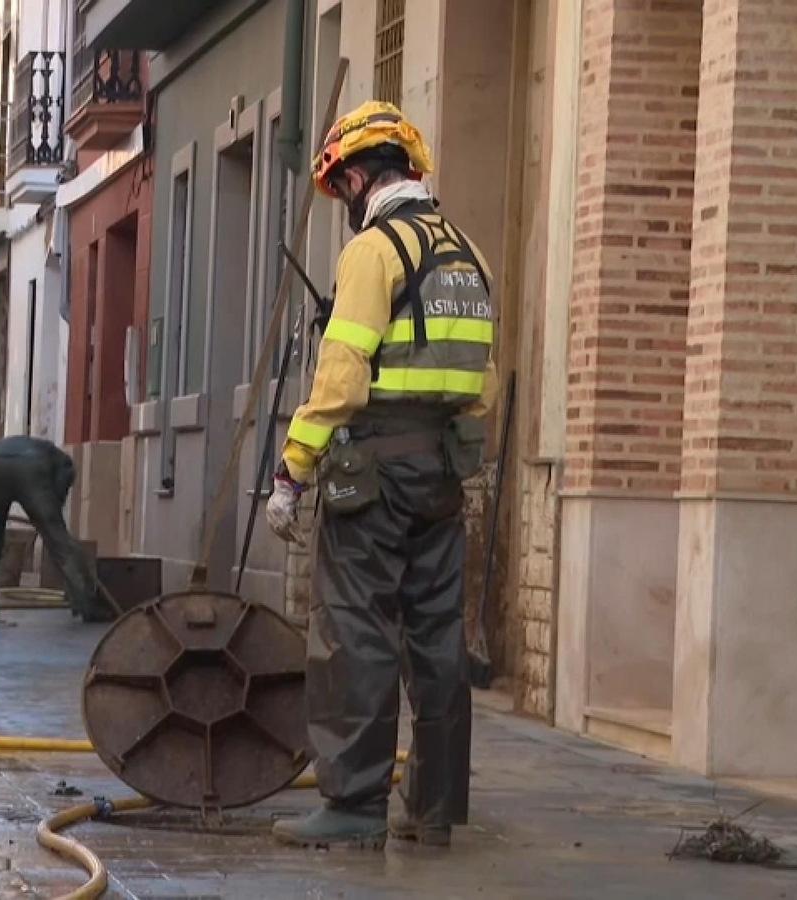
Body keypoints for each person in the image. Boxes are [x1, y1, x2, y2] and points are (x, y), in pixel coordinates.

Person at [265, 101, 498, 850]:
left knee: (355, 636)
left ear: (361, 177)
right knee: (435, 639)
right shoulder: (467, 252)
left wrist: (292, 470)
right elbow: (481, 381)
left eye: (343, 192)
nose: (345, 207)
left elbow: (340, 379)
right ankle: (433, 812)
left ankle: (353, 806)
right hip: (442, 472)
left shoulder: (375, 252)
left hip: (372, 473)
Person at [0, 436, 103, 622]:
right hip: (31, 468)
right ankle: (88, 605)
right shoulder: (63, 463)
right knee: (61, 544)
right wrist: (50, 516)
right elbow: (58, 491)